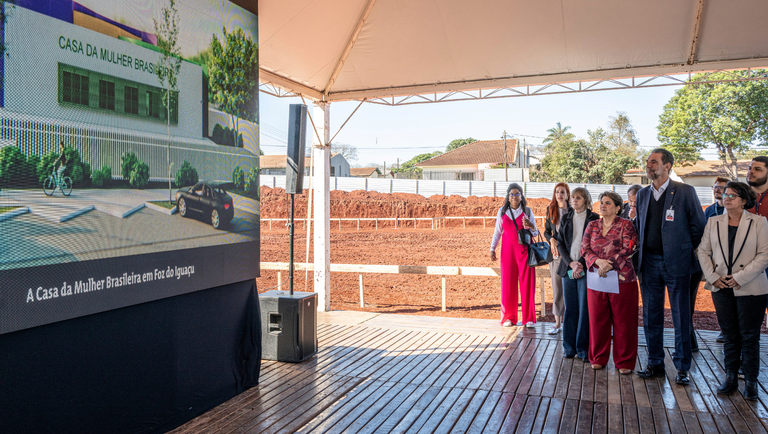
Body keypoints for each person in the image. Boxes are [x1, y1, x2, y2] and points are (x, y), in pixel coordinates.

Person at [635, 148, 705, 385]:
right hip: (649, 264)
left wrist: (683, 250)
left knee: (680, 316)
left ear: (667, 166)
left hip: (677, 264)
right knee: (650, 315)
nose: (648, 166)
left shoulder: (685, 191)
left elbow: (699, 227)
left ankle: (682, 366)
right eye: (647, 162)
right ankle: (655, 363)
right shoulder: (643, 195)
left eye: (653, 162)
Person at [696, 181, 768, 400]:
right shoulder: (713, 221)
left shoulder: (759, 222)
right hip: (720, 287)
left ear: (744, 200)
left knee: (749, 336)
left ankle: (752, 381)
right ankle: (730, 377)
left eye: (732, 195)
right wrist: (713, 278)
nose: (726, 198)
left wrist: (738, 278)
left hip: (751, 287)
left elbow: (764, 256)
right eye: (725, 195)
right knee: (729, 335)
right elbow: (703, 251)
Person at [580, 191, 640, 374]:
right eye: (601, 202)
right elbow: (585, 248)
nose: (602, 206)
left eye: (607, 203)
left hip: (623, 280)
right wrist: (598, 262)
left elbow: (630, 247)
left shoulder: (626, 225)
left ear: (617, 207)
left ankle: (624, 362)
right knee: (597, 320)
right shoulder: (592, 224)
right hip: (596, 280)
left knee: (624, 322)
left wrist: (609, 264)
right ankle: (598, 357)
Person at [556, 187, 599, 360]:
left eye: (578, 198)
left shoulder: (594, 219)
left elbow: (595, 245)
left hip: (586, 269)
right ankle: (569, 348)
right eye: (572, 197)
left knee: (584, 309)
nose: (574, 200)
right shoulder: (566, 217)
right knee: (570, 309)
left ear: (586, 200)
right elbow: (560, 243)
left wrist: (580, 264)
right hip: (568, 269)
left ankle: (583, 349)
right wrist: (570, 263)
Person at [491, 183, 540, 328]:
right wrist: (492, 248)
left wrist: (530, 225)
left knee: (527, 284)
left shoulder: (528, 211)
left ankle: (528, 318)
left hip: (525, 251)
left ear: (521, 196)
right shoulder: (502, 211)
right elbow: (497, 232)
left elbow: (536, 233)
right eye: (511, 194)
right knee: (508, 283)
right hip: (507, 252)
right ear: (508, 196)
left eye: (517, 194)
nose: (514, 197)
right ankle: (509, 317)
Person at [704, 177, 728, 344]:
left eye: (721, 187)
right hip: (715, 261)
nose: (717, 190)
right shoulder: (709, 211)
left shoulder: (734, 210)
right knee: (718, 296)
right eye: (715, 187)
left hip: (733, 261)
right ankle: (724, 330)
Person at [544, 182, 570, 334]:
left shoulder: (573, 210)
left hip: (571, 255)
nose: (559, 194)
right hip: (555, 255)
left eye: (562, 192)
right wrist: (551, 240)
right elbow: (547, 231)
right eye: (557, 192)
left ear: (567, 194)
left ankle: (569, 322)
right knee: (557, 288)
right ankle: (557, 323)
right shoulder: (550, 209)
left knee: (570, 289)